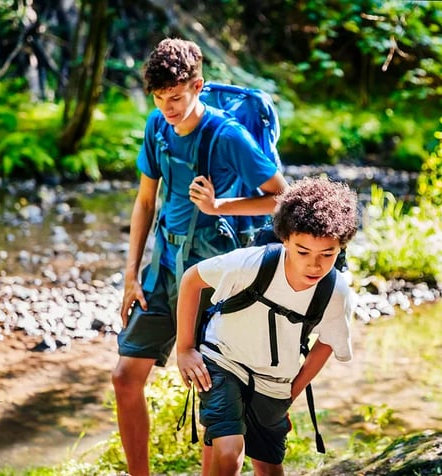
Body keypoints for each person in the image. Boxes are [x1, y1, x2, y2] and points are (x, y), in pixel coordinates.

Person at [111, 38, 288, 476]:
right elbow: (145, 202)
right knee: (124, 376)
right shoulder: (157, 127)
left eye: (175, 97)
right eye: (158, 98)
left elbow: (283, 200)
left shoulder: (228, 136)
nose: (167, 108)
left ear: (197, 86)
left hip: (217, 280)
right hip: (165, 270)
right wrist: (132, 275)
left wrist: (220, 207)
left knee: (214, 399)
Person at [176, 176, 359, 476]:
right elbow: (191, 279)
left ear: (341, 247)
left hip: (275, 381)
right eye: (303, 252)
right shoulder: (250, 264)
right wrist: (184, 349)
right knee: (228, 450)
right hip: (224, 360)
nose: (314, 265)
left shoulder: (336, 292)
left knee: (269, 466)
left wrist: (292, 391)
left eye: (327, 255)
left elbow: (328, 341)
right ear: (284, 239)